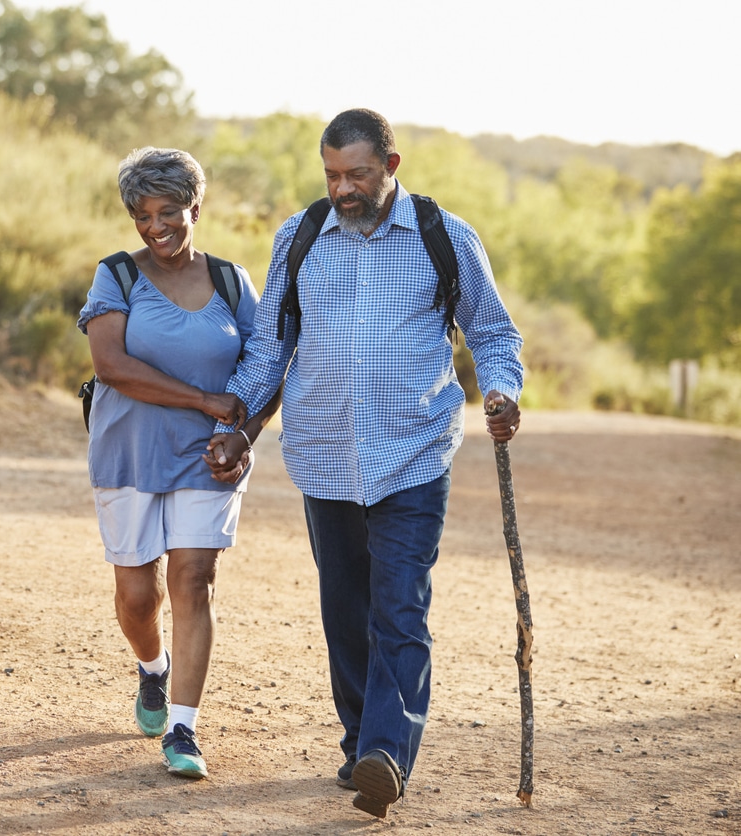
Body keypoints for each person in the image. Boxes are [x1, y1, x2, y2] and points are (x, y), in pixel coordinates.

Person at [206, 109, 524, 818]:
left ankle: (387, 752)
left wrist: (502, 389)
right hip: (323, 452)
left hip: (413, 450)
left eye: (356, 175)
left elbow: (493, 332)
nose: (342, 189)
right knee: (345, 609)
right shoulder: (302, 235)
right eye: (331, 175)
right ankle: (361, 744)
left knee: (400, 603)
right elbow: (271, 345)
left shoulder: (444, 237)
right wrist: (239, 418)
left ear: (392, 166)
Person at [77, 146, 280, 779]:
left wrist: (241, 433)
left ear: (196, 207)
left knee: (194, 580)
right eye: (141, 214)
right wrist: (202, 399)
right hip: (129, 451)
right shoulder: (116, 275)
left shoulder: (230, 281)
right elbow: (110, 365)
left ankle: (185, 729)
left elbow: (267, 363)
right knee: (139, 595)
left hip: (209, 456)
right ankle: (152, 669)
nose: (155, 226)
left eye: (169, 211)